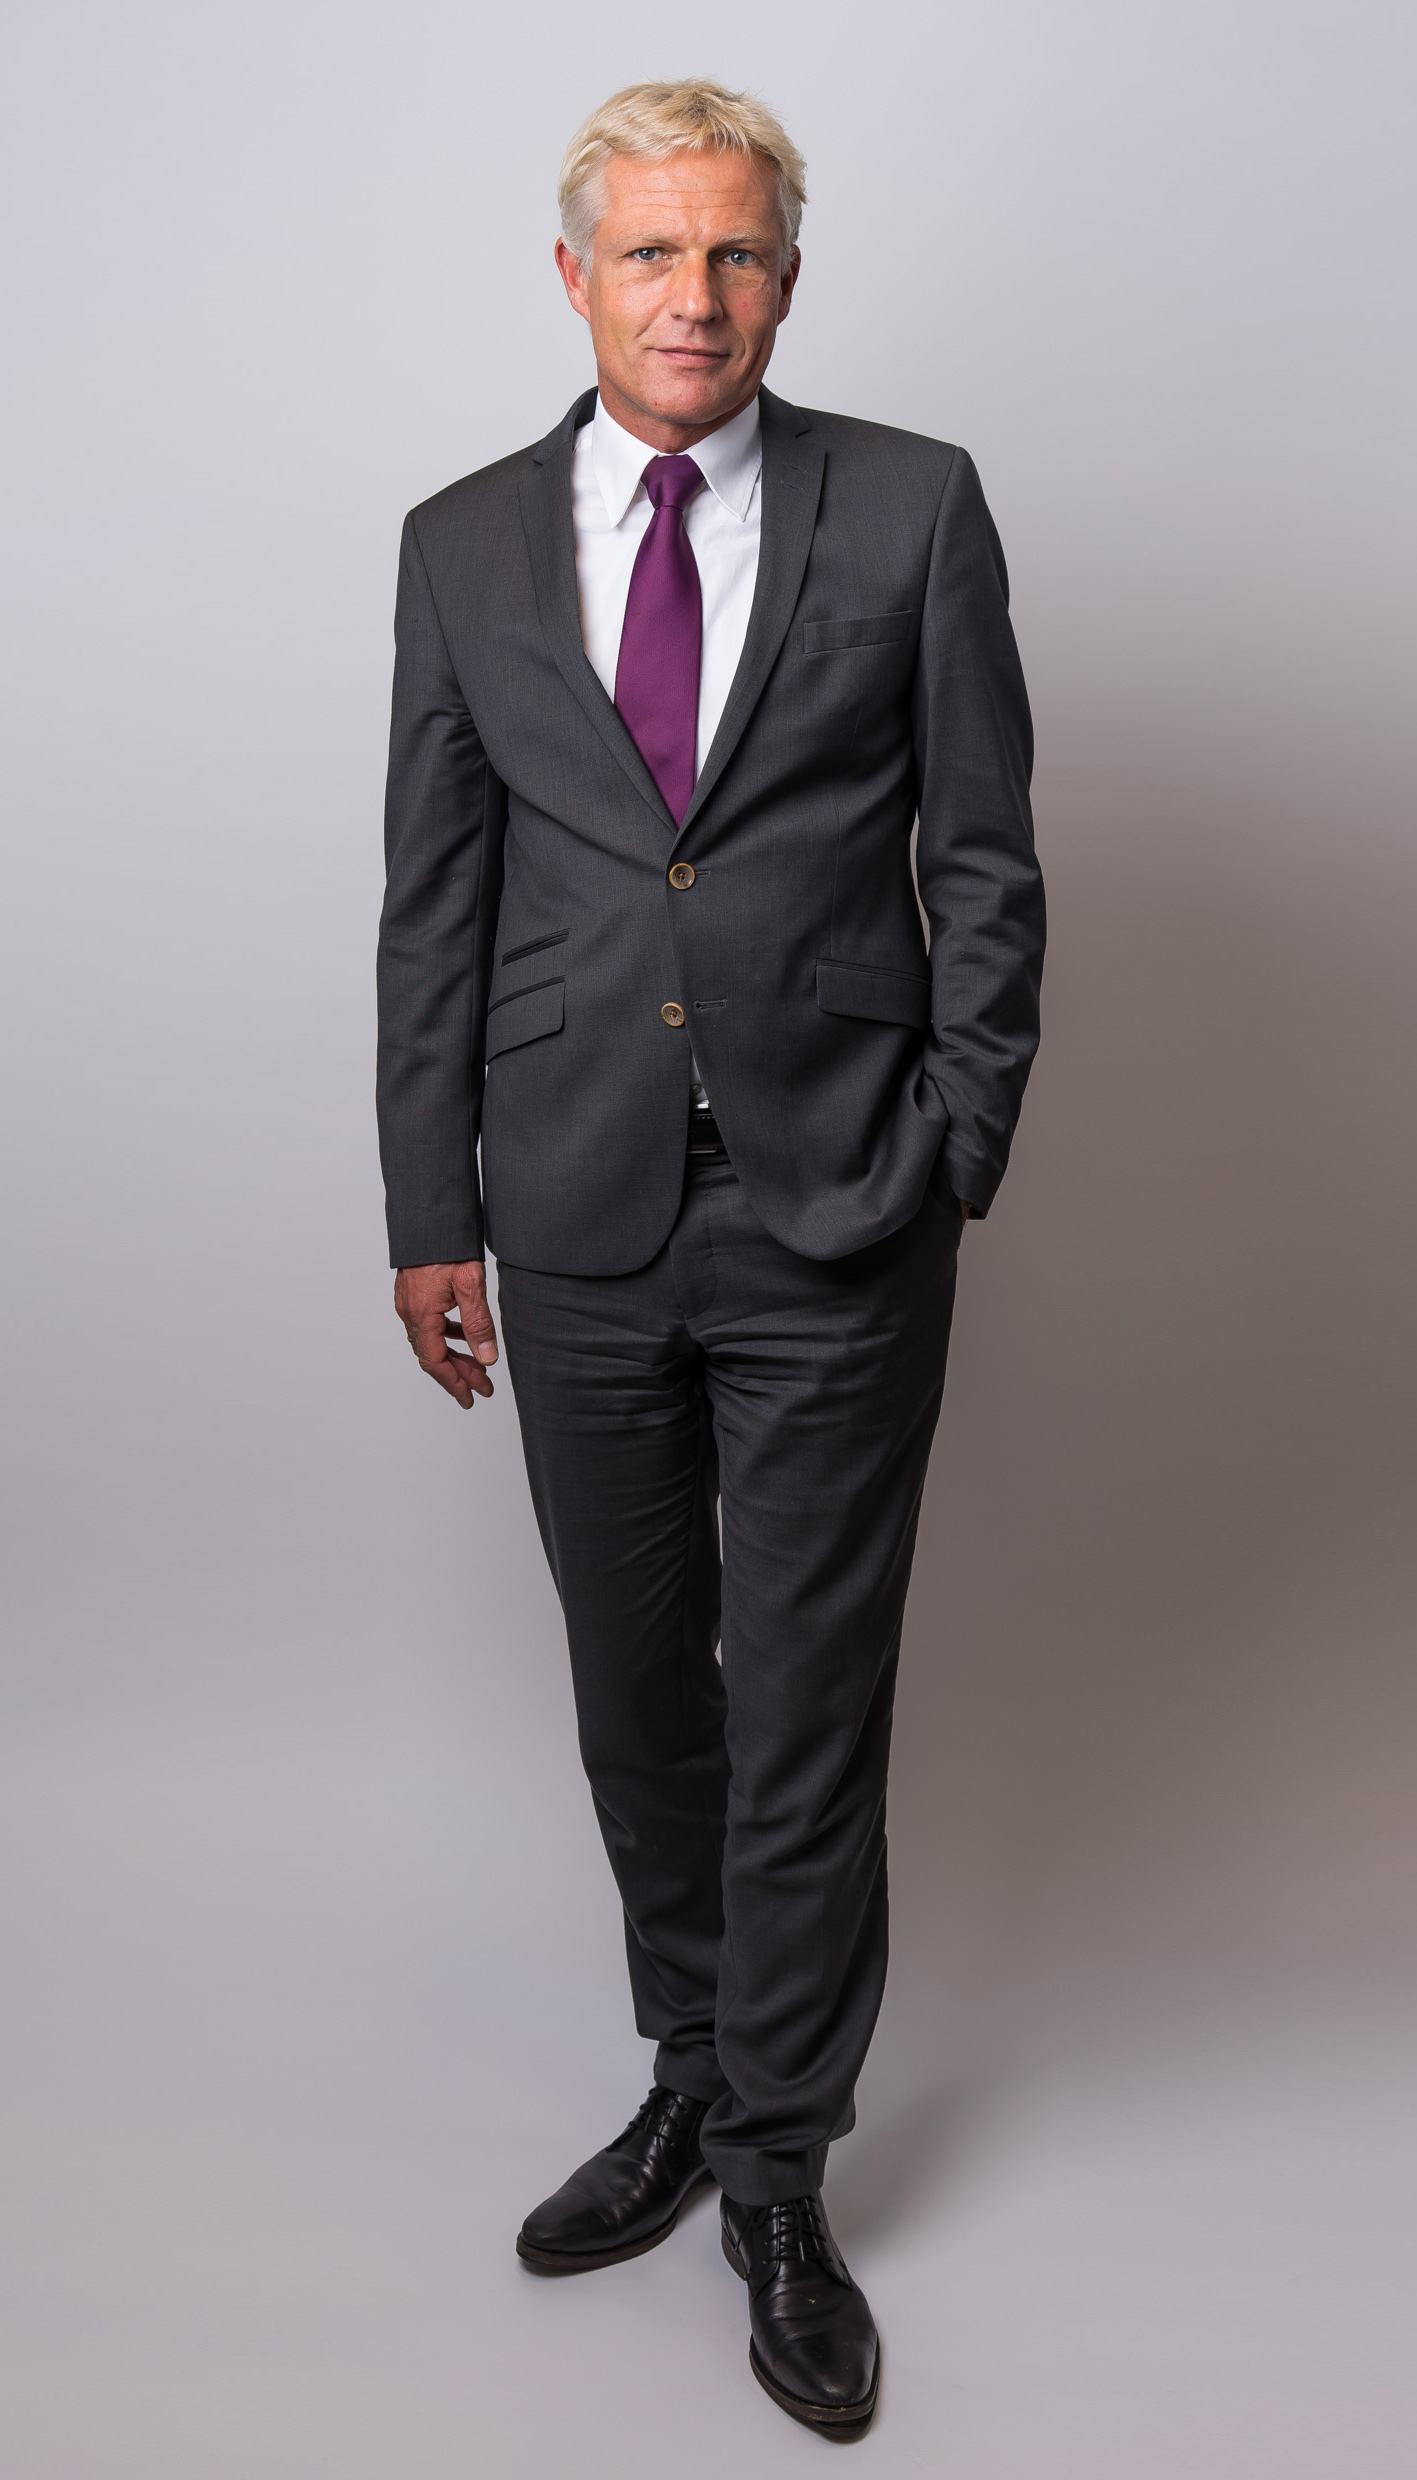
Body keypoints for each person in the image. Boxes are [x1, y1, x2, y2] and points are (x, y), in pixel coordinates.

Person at [377, 78, 1044, 2436]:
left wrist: (956, 1136)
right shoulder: (460, 542)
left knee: (810, 1709)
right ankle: (691, 2058)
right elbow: (433, 901)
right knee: (637, 1686)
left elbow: (986, 853)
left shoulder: (912, 506)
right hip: (566, 1209)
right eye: (652, 254)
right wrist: (429, 1206)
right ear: (575, 277)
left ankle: (775, 2167)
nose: (695, 296)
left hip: (839, 1197)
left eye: (735, 252)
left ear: (788, 274)